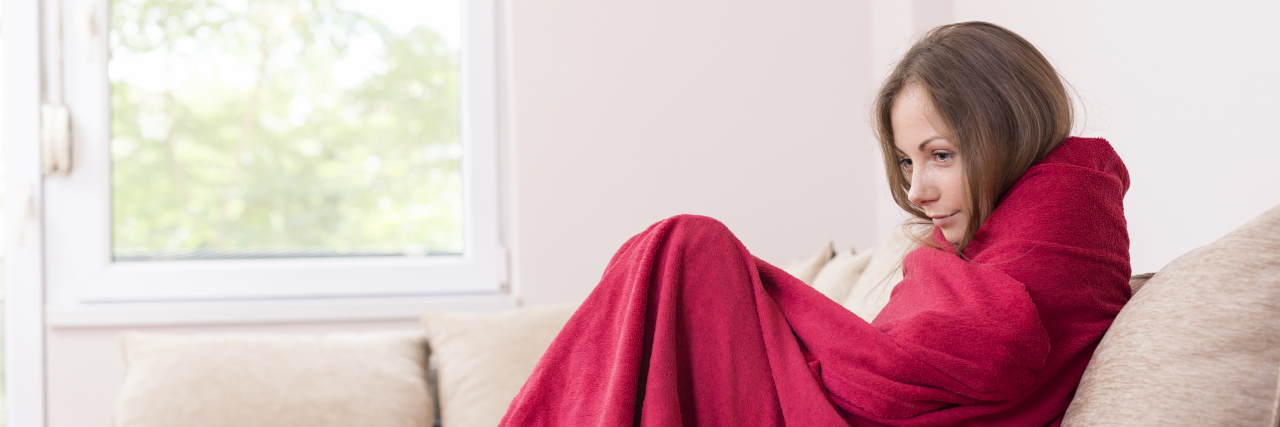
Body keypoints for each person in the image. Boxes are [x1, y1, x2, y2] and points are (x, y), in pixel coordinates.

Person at [500, 21, 1131, 426]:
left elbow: (974, 361)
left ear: (1009, 130)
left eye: (941, 155)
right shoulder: (992, 231)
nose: (918, 190)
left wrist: (792, 324)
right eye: (909, 162)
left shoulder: (1066, 214)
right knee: (683, 252)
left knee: (688, 246)